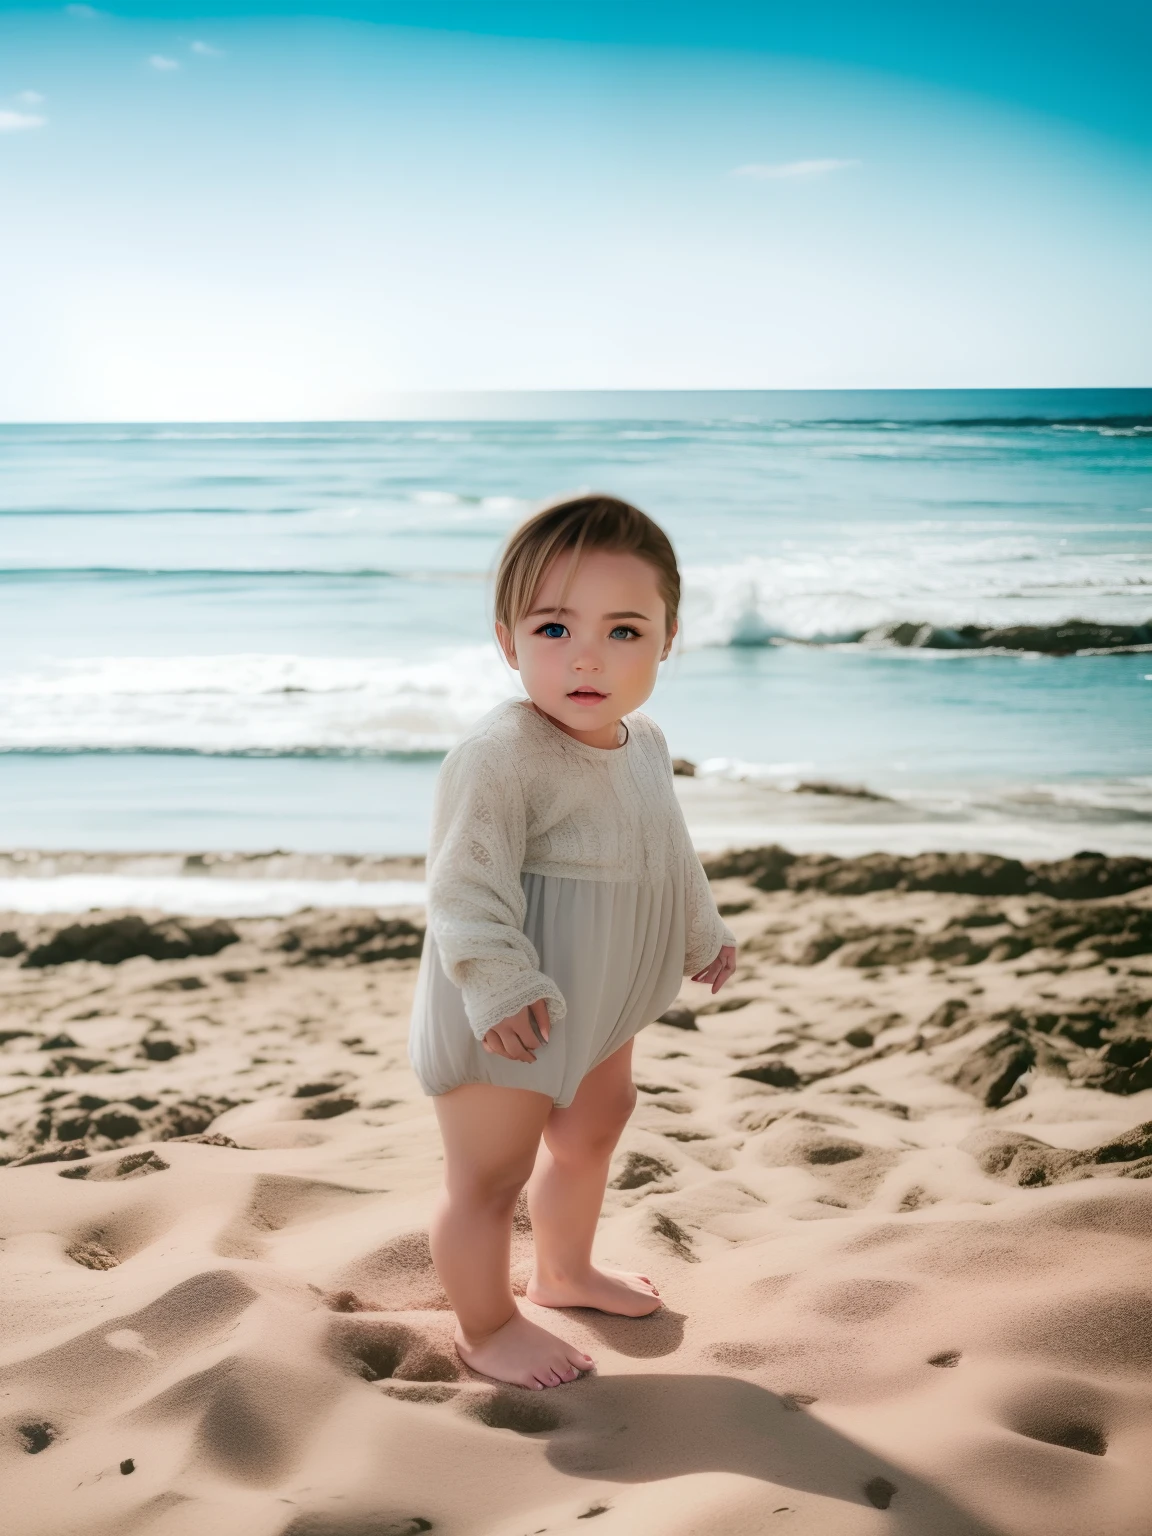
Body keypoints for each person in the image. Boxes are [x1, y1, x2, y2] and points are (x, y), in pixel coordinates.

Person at [408, 493, 737, 1390]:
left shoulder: (644, 742)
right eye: (554, 628)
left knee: (595, 1126)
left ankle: (565, 1270)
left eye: (624, 631)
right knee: (491, 1172)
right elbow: (462, 884)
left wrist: (701, 928)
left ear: (669, 638)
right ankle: (486, 1326)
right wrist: (498, 984)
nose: (587, 655)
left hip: (607, 988)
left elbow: (666, 844)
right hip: (514, 998)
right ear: (509, 641)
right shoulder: (500, 754)